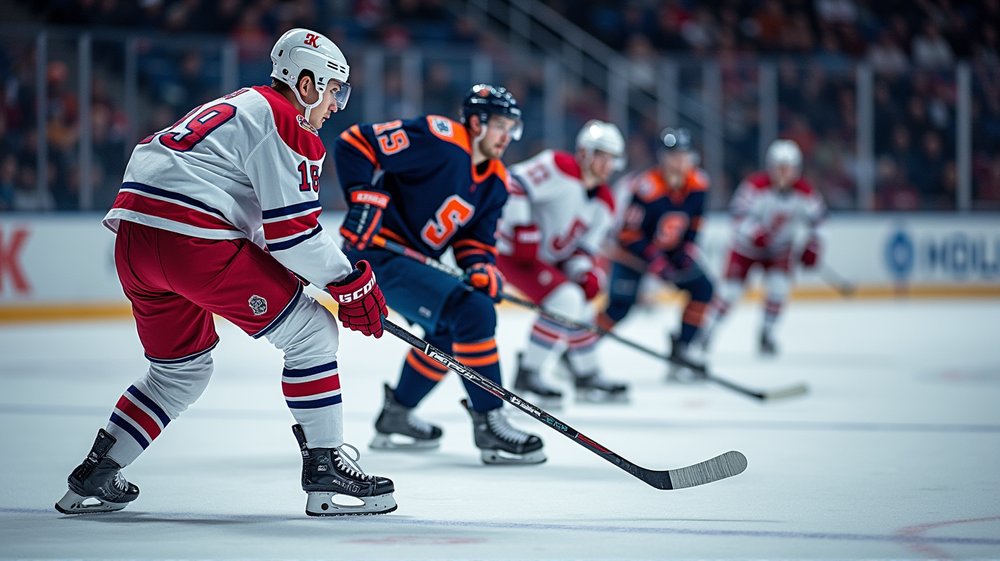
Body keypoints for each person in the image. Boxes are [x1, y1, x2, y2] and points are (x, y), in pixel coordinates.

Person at [55, 28, 396, 518]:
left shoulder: (242, 106)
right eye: (334, 90)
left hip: (134, 242)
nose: (336, 106)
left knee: (180, 373)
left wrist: (311, 276)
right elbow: (293, 235)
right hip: (193, 242)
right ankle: (326, 471)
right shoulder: (288, 122)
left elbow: (258, 224)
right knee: (314, 333)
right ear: (306, 83)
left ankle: (98, 470)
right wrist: (350, 283)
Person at [335, 84, 545, 465]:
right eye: (500, 125)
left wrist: (481, 267)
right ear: (477, 122)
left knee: (449, 330)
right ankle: (490, 420)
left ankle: (397, 414)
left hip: (411, 261)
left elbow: (473, 240)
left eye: (511, 127)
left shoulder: (496, 182)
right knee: (473, 312)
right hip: (375, 253)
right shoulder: (439, 138)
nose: (506, 136)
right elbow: (356, 141)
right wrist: (362, 196)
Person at [496, 120, 629, 406]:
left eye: (612, 158)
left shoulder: (605, 202)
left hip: (542, 259)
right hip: (509, 251)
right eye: (601, 155)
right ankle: (529, 372)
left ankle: (586, 372)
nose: (607, 164)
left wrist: (583, 273)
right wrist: (522, 227)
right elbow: (513, 182)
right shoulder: (559, 166)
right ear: (584, 152)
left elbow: (582, 250)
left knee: (580, 302)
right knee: (566, 300)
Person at [596, 128, 714, 382]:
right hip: (632, 255)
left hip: (668, 251)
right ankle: (578, 350)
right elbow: (628, 234)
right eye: (673, 155)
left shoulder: (698, 183)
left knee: (703, 289)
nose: (679, 161)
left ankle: (683, 348)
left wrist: (684, 252)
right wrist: (654, 258)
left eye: (684, 155)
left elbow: (694, 225)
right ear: (662, 157)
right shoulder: (646, 187)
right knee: (619, 307)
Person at [699, 139, 826, 355]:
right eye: (780, 167)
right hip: (745, 249)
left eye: (789, 168)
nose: (784, 173)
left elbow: (821, 222)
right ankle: (707, 332)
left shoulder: (805, 192)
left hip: (778, 250)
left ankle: (767, 334)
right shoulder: (755, 186)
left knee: (778, 288)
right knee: (729, 292)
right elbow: (738, 215)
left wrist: (813, 246)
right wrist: (755, 233)